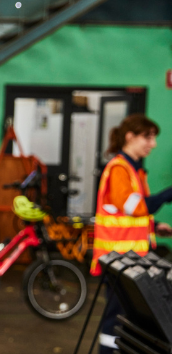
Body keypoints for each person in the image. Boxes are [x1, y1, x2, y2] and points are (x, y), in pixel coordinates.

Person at [93, 114, 172, 353]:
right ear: (130, 136)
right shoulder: (119, 169)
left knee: (127, 314)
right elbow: (136, 208)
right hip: (118, 258)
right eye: (147, 138)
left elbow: (129, 214)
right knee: (115, 315)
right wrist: (168, 194)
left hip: (129, 258)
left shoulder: (133, 170)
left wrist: (154, 225)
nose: (153, 144)